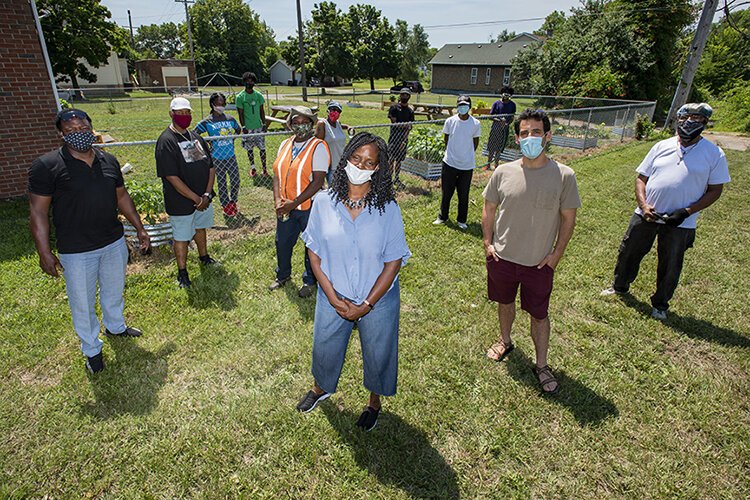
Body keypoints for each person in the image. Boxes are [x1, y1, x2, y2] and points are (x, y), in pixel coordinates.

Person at [296, 132, 411, 432]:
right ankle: (321, 387)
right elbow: (314, 252)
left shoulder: (388, 209)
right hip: (334, 293)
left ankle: (374, 402)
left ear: (377, 169)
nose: (360, 165)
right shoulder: (323, 202)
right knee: (325, 344)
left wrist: (368, 304)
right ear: (345, 159)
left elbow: (394, 261)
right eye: (356, 159)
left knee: (378, 350)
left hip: (378, 298)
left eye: (369, 162)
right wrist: (332, 296)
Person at [28, 109, 150, 374]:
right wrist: (44, 252)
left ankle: (115, 327)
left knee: (113, 290)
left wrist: (139, 227)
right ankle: (92, 349)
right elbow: (38, 212)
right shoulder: (47, 166)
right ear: (60, 134)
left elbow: (121, 196)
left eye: (83, 128)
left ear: (91, 128)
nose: (79, 133)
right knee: (82, 303)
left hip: (112, 241)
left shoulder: (108, 160)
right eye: (71, 130)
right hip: (77, 250)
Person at [482, 109, 581, 395]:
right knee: (504, 303)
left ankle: (541, 364)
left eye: (536, 132)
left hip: (539, 264)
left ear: (547, 136)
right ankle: (505, 340)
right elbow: (488, 208)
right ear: (517, 138)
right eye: (524, 133)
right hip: (502, 258)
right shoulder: (503, 172)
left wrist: (555, 256)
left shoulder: (564, 175)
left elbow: (568, 219)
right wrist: (488, 244)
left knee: (539, 314)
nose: (530, 138)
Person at [601, 103, 730, 320]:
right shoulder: (662, 146)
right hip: (647, 214)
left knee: (670, 263)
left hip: (681, 221)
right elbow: (641, 178)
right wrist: (643, 205)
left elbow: (715, 190)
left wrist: (687, 211)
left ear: (705, 123)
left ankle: (660, 304)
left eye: (697, 119)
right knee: (629, 251)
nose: (690, 122)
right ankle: (619, 286)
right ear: (677, 120)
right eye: (685, 117)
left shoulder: (714, 154)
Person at [156, 97, 218, 288]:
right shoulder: (166, 141)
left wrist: (206, 195)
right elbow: (171, 177)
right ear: (171, 114)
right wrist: (196, 198)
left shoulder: (196, 138)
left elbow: (210, 167)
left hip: (203, 198)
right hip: (181, 201)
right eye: (180, 113)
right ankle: (182, 272)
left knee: (200, 228)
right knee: (181, 236)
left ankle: (204, 257)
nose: (184, 116)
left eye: (187, 113)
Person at [270, 106, 330, 298]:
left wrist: (293, 203)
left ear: (311, 124)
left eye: (304, 122)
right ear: (290, 125)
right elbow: (277, 174)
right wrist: (278, 200)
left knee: (311, 245)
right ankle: (283, 275)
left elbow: (318, 181)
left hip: (308, 207)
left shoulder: (318, 146)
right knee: (283, 242)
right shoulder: (284, 144)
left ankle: (310, 280)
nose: (300, 126)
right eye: (295, 122)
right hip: (286, 206)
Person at [433, 95, 482, 230]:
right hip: (449, 162)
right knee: (446, 192)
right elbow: (446, 139)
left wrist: (465, 154)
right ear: (457, 106)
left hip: (467, 165)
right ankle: (443, 217)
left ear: (469, 107)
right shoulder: (450, 121)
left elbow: (475, 142)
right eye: (460, 105)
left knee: (463, 194)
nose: (462, 107)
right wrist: (453, 153)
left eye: (465, 105)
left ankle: (462, 220)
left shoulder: (475, 123)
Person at [194, 92, 242, 217]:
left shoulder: (230, 119)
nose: (221, 106)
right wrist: (207, 142)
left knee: (235, 179)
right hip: (216, 158)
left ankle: (233, 201)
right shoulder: (207, 121)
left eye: (223, 103)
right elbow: (195, 134)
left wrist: (231, 139)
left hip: (230, 156)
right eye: (218, 103)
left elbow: (238, 129)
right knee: (222, 182)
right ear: (212, 104)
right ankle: (225, 204)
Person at [235, 72, 268, 177]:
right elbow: (240, 113)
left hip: (258, 126)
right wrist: (243, 127)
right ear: (244, 82)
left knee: (262, 148)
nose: (250, 83)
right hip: (248, 128)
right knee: (250, 149)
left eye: (252, 80)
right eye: (247, 81)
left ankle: (264, 169)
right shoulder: (240, 97)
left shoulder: (258, 95)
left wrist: (264, 124)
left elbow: (262, 111)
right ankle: (253, 168)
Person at [315, 100, 351, 186]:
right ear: (328, 110)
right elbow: (316, 145)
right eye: (333, 109)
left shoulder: (338, 123)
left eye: (338, 111)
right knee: (334, 192)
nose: (335, 112)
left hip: (341, 164)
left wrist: (348, 127)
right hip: (331, 167)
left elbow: (341, 127)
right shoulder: (322, 124)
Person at [387, 87, 415, 190]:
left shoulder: (410, 111)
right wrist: (405, 125)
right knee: (391, 159)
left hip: (403, 139)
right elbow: (394, 123)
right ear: (400, 95)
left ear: (409, 96)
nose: (404, 96)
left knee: (399, 161)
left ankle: (396, 178)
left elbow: (410, 126)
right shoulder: (394, 108)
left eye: (406, 95)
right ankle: (389, 180)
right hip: (394, 138)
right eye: (402, 94)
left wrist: (404, 140)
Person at [486, 86, 517, 170]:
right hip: (495, 127)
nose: (505, 94)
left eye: (508, 93)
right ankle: (488, 164)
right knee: (491, 146)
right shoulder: (496, 103)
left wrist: (506, 123)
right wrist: (499, 120)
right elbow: (491, 116)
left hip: (505, 128)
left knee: (500, 147)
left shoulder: (512, 105)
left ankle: (496, 164)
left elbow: (512, 117)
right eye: (504, 92)